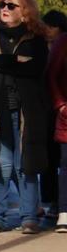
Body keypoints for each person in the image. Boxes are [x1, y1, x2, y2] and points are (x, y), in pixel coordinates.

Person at [0, 0, 50, 235]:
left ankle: (29, 217)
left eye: (11, 5)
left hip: (27, 108)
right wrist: (17, 60)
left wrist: (2, 60)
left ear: (24, 11)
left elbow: (36, 68)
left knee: (25, 163)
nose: (4, 8)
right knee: (1, 163)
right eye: (2, 5)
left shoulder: (36, 39)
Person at [47, 26, 67, 233]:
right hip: (66, 116)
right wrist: (60, 105)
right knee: (66, 164)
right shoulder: (63, 42)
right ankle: (64, 212)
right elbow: (51, 75)